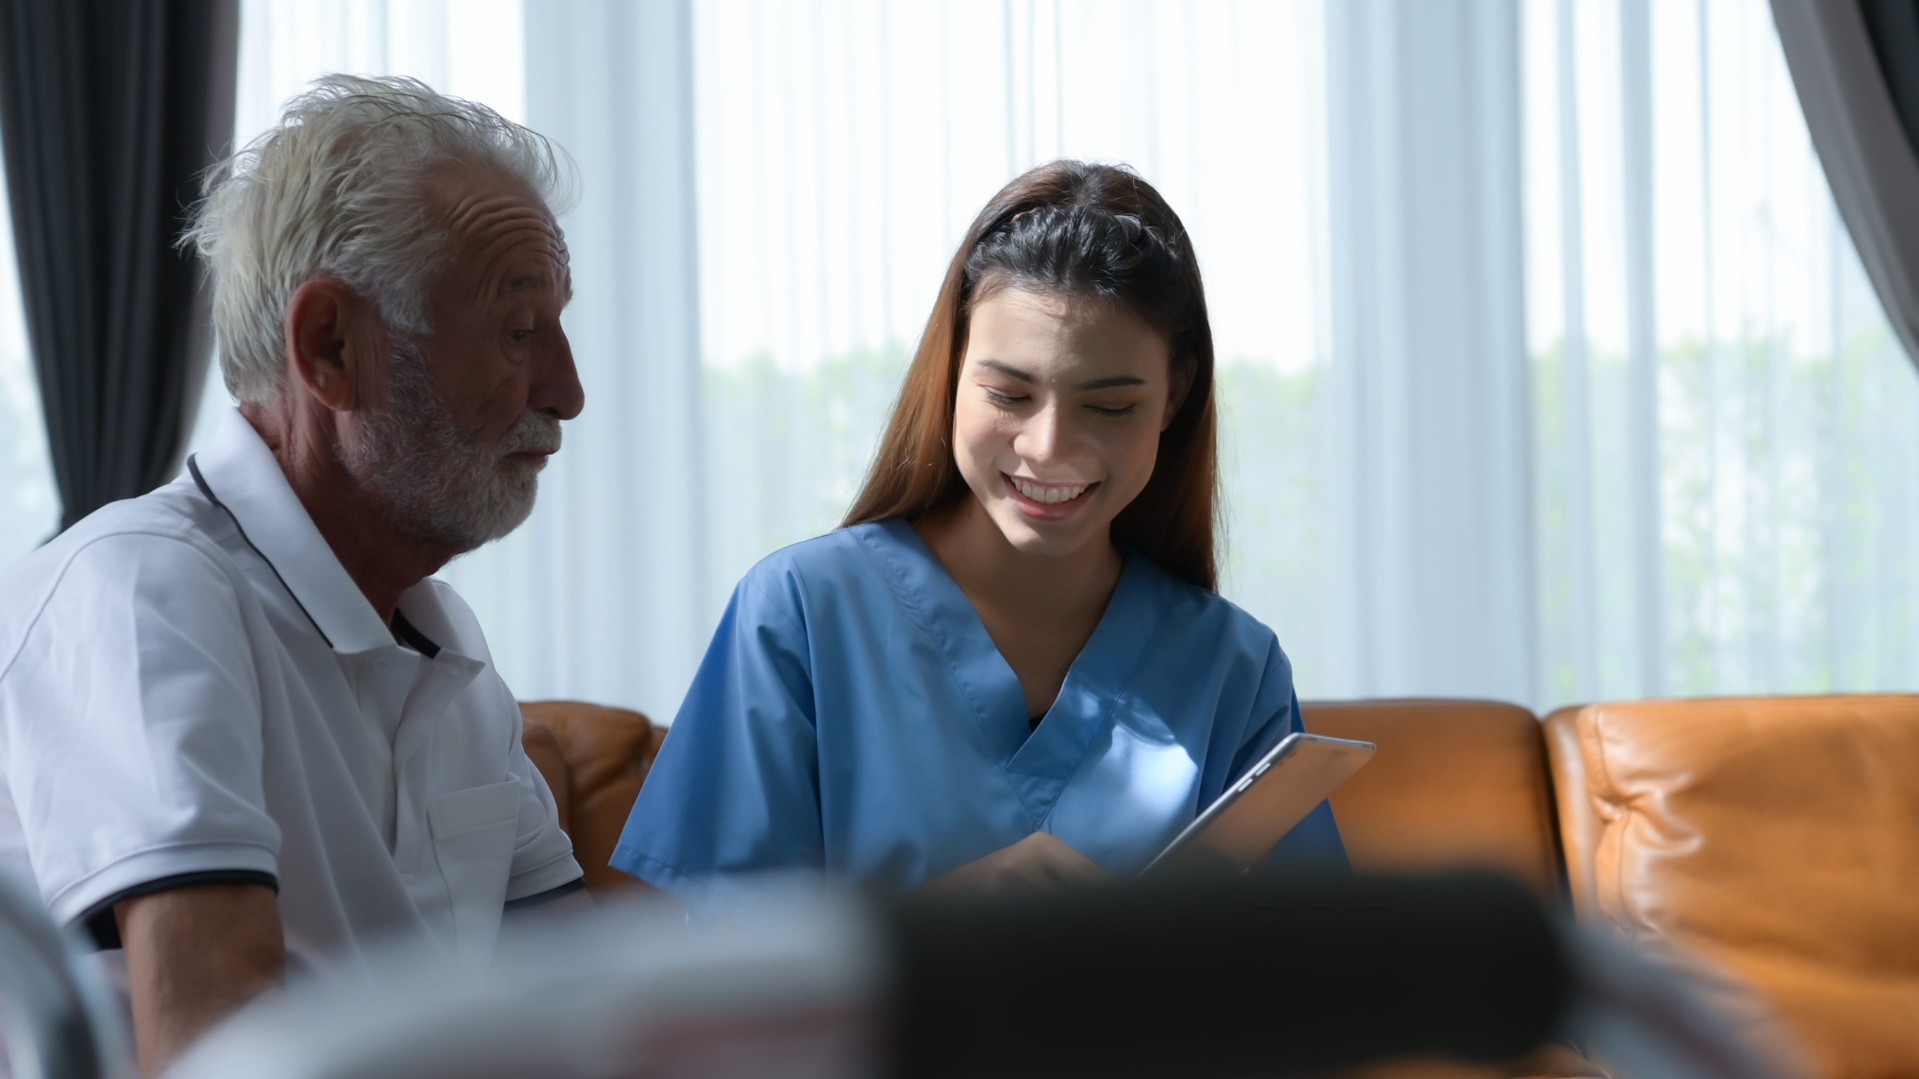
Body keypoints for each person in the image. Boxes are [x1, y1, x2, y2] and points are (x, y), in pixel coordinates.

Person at [0, 75, 587, 1075]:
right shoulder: (146, 590)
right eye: (519, 332)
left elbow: (593, 1007)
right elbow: (218, 1053)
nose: (566, 394)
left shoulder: (446, 649)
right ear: (329, 348)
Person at [613, 160, 1344, 909]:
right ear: (951, 371)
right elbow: (699, 967)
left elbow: (1312, 981)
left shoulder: (1234, 669)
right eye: (1008, 394)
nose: (1048, 447)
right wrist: (929, 932)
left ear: (1173, 396)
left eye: (1111, 407)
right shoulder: (799, 613)